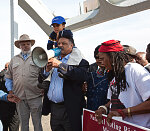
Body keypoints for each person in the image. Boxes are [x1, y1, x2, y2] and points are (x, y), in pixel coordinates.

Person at [95, 40, 150, 128]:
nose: (101, 62)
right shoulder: (114, 75)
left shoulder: (134, 70)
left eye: (102, 59)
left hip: (139, 127)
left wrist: (124, 112)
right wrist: (104, 108)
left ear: (112, 57)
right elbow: (116, 100)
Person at [43, 30, 89, 131]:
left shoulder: (81, 61)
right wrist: (46, 71)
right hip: (54, 108)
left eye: (64, 43)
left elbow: (81, 75)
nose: (60, 45)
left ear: (72, 45)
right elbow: (40, 80)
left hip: (70, 109)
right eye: (58, 43)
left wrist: (60, 65)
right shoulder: (52, 60)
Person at [5, 34, 43, 131]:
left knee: (37, 124)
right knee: (23, 125)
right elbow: (8, 77)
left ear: (31, 45)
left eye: (27, 44)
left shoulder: (37, 57)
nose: (25, 46)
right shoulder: (14, 60)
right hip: (19, 97)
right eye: (23, 44)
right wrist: (10, 91)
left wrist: (44, 88)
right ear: (19, 46)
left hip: (35, 96)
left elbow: (45, 74)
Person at [86, 45, 109, 111]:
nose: (100, 60)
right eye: (97, 58)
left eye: (102, 58)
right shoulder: (90, 71)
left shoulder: (115, 74)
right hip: (91, 110)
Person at [0, 62, 20, 131]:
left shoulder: (1, 75)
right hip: (14, 108)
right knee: (14, 127)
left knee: (4, 127)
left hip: (3, 107)